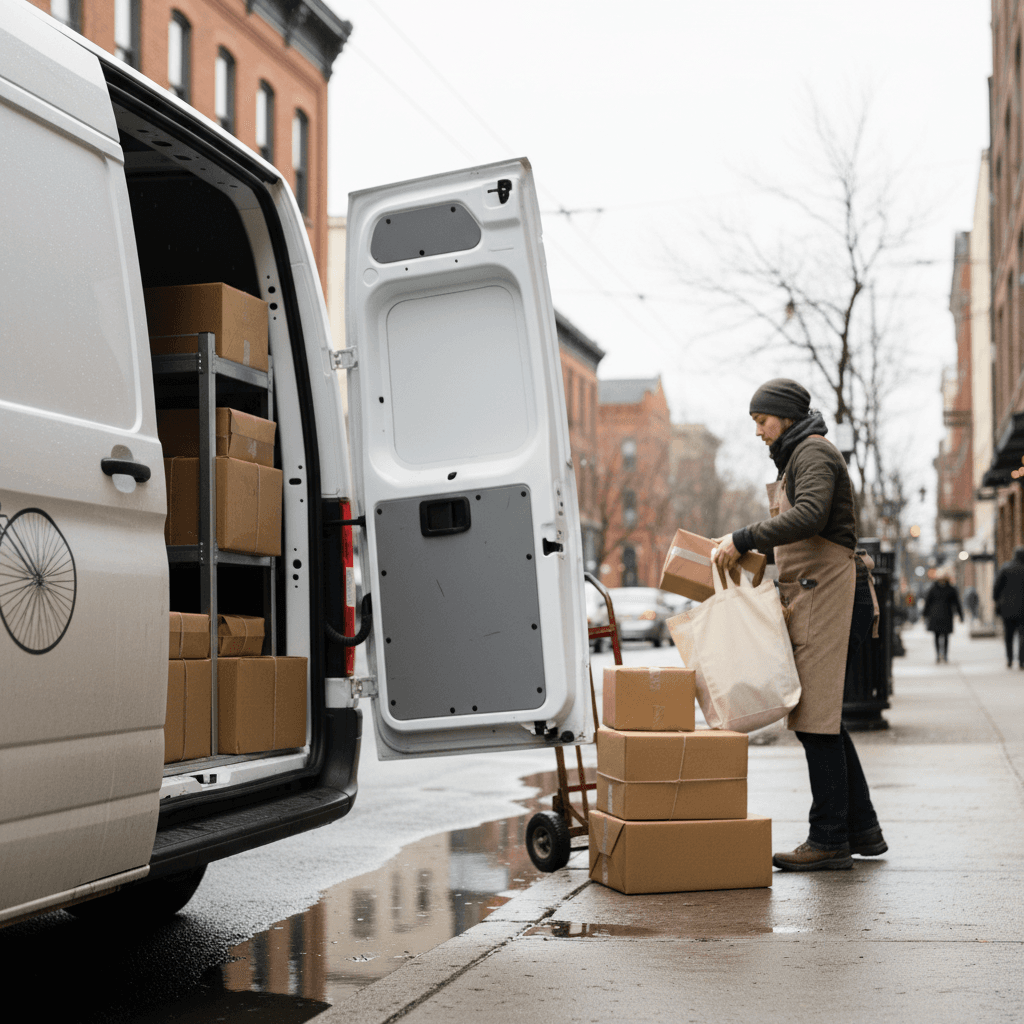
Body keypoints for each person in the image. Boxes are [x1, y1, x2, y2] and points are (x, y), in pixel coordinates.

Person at [712, 378, 885, 872]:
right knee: (823, 717)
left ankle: (829, 837)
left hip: (828, 596)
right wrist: (749, 548)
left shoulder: (812, 454)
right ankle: (862, 830)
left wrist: (744, 536)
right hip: (816, 596)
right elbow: (804, 529)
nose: (759, 432)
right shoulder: (800, 455)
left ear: (785, 416)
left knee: (814, 719)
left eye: (762, 421)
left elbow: (810, 516)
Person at [922, 572, 963, 663]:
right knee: (941, 636)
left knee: (941, 636)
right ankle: (941, 655)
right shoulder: (948, 589)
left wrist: (924, 615)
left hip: (941, 616)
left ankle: (941, 655)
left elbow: (956, 603)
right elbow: (928, 603)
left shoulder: (935, 589)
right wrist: (961, 615)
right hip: (942, 616)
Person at [993, 547, 1024, 667]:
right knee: (1022, 635)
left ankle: (1010, 658)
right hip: (1022, 610)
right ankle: (1022, 660)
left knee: (1008, 635)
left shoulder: (1006, 568)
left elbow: (996, 588)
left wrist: (997, 601)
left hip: (1007, 609)